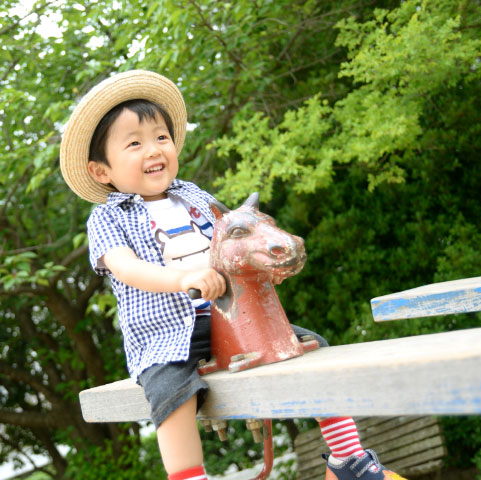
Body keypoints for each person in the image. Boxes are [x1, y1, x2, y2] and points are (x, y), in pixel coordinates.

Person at [59, 70, 405, 480]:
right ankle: (189, 476)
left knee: (307, 345)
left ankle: (348, 458)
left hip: (229, 317)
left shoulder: (195, 195)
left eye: (161, 137)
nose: (153, 149)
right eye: (134, 143)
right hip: (166, 336)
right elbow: (124, 266)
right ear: (102, 171)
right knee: (171, 393)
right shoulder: (107, 217)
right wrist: (181, 279)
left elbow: (233, 237)